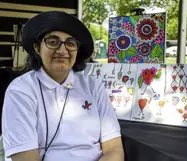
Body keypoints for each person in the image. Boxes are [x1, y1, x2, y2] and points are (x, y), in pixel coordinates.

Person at [2, 11, 124, 161]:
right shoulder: (21, 91)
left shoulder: (94, 86)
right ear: (37, 48)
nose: (62, 50)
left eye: (70, 43)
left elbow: (114, 149)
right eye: (52, 42)